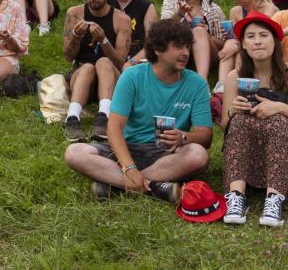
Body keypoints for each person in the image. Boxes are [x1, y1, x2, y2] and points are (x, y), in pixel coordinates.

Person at [63, 19, 213, 204]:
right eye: (178, 47)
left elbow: (206, 136)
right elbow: (114, 128)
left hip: (167, 154)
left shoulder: (196, 83)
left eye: (187, 47)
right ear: (158, 49)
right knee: (74, 153)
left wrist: (184, 137)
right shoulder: (132, 76)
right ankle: (157, 187)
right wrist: (128, 166)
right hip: (128, 149)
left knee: (198, 155)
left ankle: (116, 184)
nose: (185, 53)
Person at [220, 12, 288, 227]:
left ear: (275, 41)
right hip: (251, 157)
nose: (257, 41)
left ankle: (274, 200)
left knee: (278, 121)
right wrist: (232, 112)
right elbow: (224, 126)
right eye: (250, 36)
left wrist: (281, 107)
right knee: (238, 121)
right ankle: (236, 196)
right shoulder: (235, 77)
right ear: (243, 45)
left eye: (264, 35)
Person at [61, 0, 131, 142]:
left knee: (104, 62)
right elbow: (68, 57)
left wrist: (104, 40)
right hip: (82, 76)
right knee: (88, 67)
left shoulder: (122, 19)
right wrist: (76, 37)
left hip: (110, 77)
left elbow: (120, 62)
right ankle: (72, 119)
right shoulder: (74, 13)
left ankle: (103, 117)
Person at [160, 0, 229, 80]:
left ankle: (201, 81)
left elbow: (223, 44)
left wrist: (205, 36)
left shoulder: (213, 9)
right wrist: (180, 13)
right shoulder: (172, 2)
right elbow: (162, 31)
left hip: (208, 56)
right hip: (177, 50)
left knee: (199, 30)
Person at [111, 0, 157, 65]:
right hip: (111, 57)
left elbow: (152, 43)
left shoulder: (146, 7)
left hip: (137, 58)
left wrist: (130, 63)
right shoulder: (107, 5)